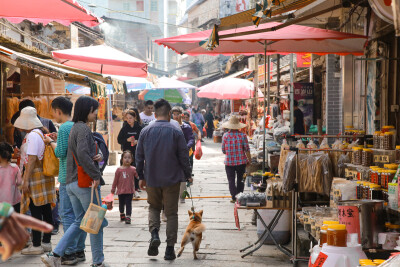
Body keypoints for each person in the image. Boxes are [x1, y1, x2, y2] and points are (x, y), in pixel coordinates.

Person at [41, 96, 108, 267]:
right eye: (94, 111)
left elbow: (79, 153)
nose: (96, 114)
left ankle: (55, 254)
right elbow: (84, 156)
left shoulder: (73, 128)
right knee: (95, 221)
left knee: (79, 220)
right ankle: (98, 262)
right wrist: (96, 176)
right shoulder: (83, 129)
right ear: (87, 111)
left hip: (71, 183)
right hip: (83, 182)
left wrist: (97, 155)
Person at [136, 99, 192, 261]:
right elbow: (183, 156)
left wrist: (141, 176)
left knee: (154, 207)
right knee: (171, 213)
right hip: (172, 179)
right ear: (169, 114)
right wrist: (188, 174)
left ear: (154, 114)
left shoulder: (145, 131)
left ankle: (154, 234)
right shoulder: (176, 132)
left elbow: (139, 157)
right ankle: (169, 249)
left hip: (152, 177)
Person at [43, 96, 86, 265]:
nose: (53, 114)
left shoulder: (64, 128)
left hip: (67, 176)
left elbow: (60, 152)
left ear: (58, 111)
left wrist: (50, 141)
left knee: (67, 216)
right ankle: (79, 250)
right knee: (79, 216)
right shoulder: (75, 125)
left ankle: (68, 253)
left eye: (53, 111)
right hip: (77, 176)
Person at [13, 107, 56, 255]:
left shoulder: (32, 136)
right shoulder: (40, 132)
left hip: (35, 176)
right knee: (45, 209)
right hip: (44, 176)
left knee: (36, 210)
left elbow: (31, 160)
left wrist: (25, 181)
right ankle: (46, 242)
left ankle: (37, 244)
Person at [221, 116, 251, 203]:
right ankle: (240, 197)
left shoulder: (225, 136)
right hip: (241, 162)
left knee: (231, 180)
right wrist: (249, 160)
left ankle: (234, 197)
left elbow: (223, 150)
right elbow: (247, 149)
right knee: (240, 180)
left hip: (229, 163)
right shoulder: (243, 135)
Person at [171, 107, 195, 204]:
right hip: (172, 154)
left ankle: (182, 196)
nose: (175, 116)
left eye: (177, 114)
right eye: (174, 114)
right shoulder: (170, 126)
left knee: (184, 174)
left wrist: (186, 147)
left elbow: (191, 139)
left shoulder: (186, 127)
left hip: (184, 153)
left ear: (181, 115)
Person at [117, 110, 142, 198]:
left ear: (134, 118)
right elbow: (119, 140)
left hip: (136, 152)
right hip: (126, 153)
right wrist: (126, 140)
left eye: (130, 118)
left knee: (135, 170)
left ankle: (135, 189)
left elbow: (144, 140)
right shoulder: (124, 128)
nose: (129, 120)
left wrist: (137, 141)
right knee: (124, 170)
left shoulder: (139, 128)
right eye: (127, 118)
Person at [111, 151, 139, 225]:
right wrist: (113, 189)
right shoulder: (118, 170)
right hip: (121, 191)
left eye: (129, 158)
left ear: (132, 160)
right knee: (121, 204)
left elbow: (138, 177)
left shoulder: (133, 169)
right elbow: (115, 180)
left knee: (128, 204)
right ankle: (122, 213)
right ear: (122, 159)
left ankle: (128, 217)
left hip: (129, 191)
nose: (127, 159)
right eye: (125, 157)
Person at [0, 142, 22, 213]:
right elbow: (19, 182)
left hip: (2, 202)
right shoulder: (15, 167)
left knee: (4, 222)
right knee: (14, 221)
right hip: (14, 200)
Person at [183, 111, 201, 176]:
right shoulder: (180, 124)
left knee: (190, 158)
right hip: (183, 142)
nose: (185, 119)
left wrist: (199, 136)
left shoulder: (192, 124)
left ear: (189, 118)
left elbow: (198, 131)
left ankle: (190, 172)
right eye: (184, 117)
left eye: (186, 117)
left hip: (191, 143)